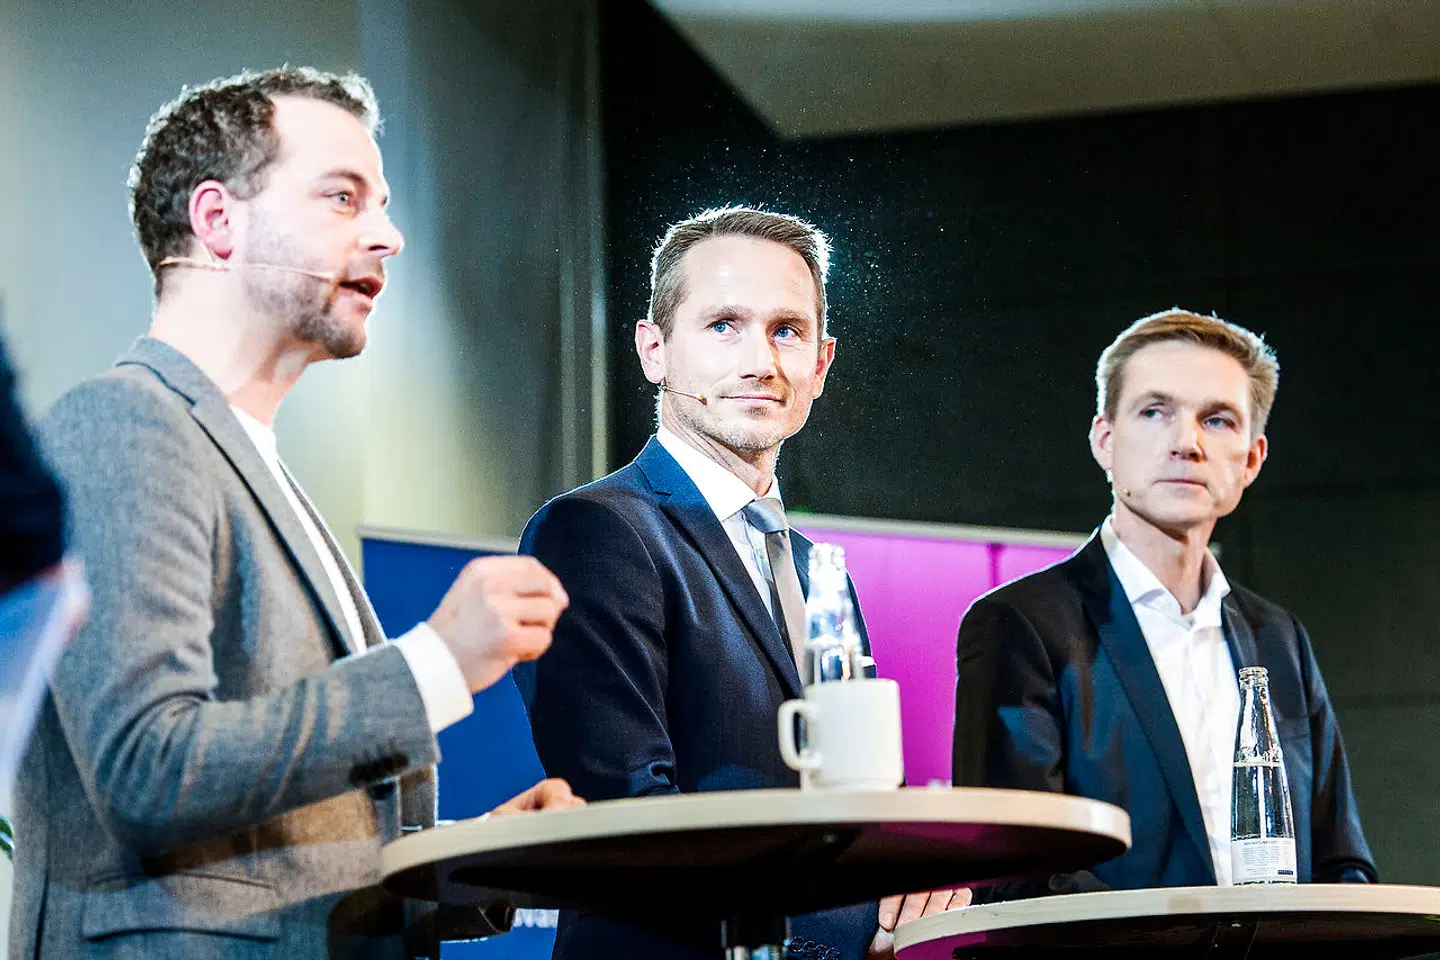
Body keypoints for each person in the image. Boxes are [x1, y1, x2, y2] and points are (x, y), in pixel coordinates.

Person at [10, 68, 580, 960]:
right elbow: (148, 769)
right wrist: (435, 663)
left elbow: (281, 861)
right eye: (342, 197)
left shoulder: (258, 463)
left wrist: (486, 862)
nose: (388, 236)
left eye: (382, 204)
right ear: (217, 221)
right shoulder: (125, 423)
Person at [515, 206, 961, 960]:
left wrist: (908, 875)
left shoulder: (819, 572)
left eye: (786, 331)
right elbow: (625, 817)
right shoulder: (595, 532)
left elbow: (845, 799)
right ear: (653, 350)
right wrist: (848, 925)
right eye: (723, 325)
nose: (760, 359)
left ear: (821, 365)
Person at [953, 308, 1376, 898]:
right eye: (1155, 412)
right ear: (1105, 440)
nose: (1187, 443)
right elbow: (1016, 869)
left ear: (1251, 459)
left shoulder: (1280, 638)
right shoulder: (1021, 624)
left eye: (1218, 420)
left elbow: (1342, 862)